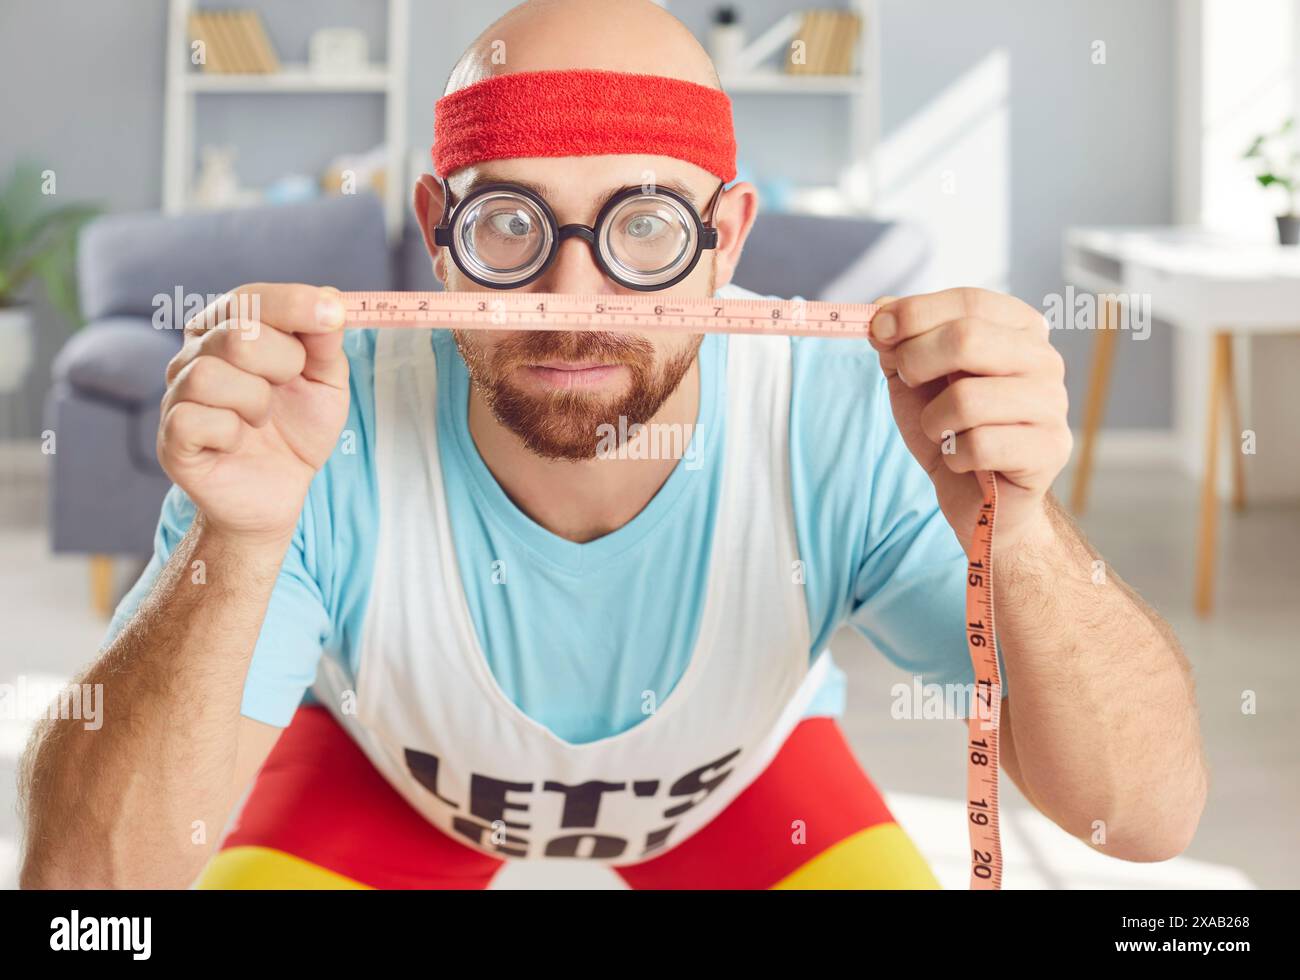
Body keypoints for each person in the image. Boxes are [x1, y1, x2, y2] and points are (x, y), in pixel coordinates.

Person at [19, 0, 1205, 890]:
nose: (572, 294)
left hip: (746, 783)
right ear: (438, 231)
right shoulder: (306, 429)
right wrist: (237, 540)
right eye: (508, 222)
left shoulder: (846, 412)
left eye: (645, 224)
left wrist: (1026, 524)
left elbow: (1140, 818)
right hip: (381, 777)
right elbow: (82, 896)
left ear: (726, 238)